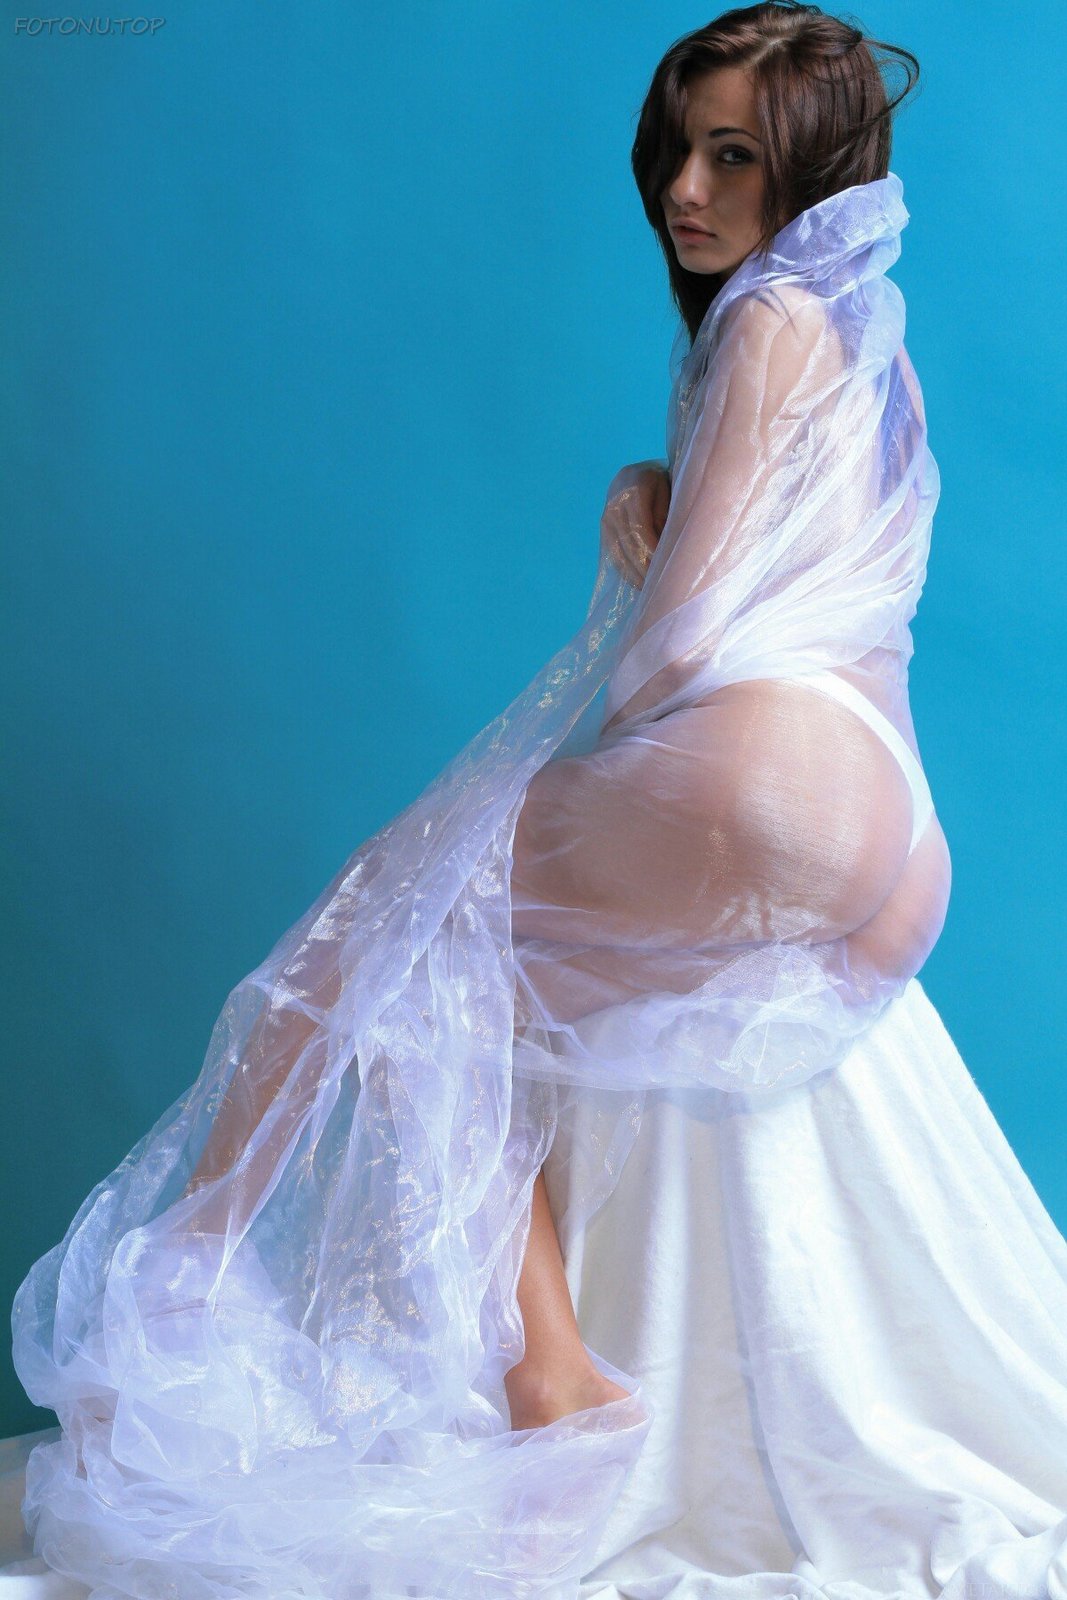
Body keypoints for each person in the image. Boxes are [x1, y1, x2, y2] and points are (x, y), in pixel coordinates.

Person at [9, 4, 1067, 1599]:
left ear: (810, 173)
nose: (687, 192)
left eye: (734, 158)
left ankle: (196, 1330)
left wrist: (635, 544)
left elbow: (685, 635)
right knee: (486, 992)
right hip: (893, 833)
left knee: (386, 926)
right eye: (679, 152)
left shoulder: (766, 320)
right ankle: (566, 1370)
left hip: (765, 771)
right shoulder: (875, 341)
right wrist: (658, 496)